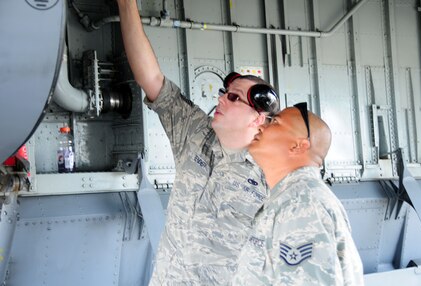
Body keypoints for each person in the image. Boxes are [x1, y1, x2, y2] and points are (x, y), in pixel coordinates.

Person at [116, 1, 280, 285]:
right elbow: (151, 78)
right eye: (223, 92)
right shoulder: (195, 133)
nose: (220, 98)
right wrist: (126, 3)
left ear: (257, 119)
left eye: (233, 97)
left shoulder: (273, 176)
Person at [232, 103, 364, 285]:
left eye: (274, 122)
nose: (261, 125)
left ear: (298, 146)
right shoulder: (292, 198)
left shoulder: (301, 204)